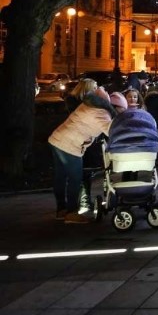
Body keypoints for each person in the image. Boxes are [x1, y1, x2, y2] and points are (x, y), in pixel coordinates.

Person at [47, 86, 115, 224]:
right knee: (75, 178)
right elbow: (112, 131)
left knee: (60, 176)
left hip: (57, 139)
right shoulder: (100, 112)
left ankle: (61, 209)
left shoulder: (87, 105)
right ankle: (71, 213)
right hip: (69, 146)